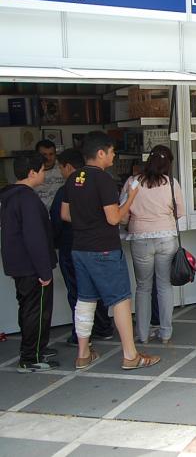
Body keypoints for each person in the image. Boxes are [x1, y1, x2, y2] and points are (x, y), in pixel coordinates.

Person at [61, 131, 159, 370]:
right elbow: (114, 218)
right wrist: (131, 197)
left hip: (80, 248)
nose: (114, 155)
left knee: (85, 299)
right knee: (120, 299)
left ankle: (83, 354)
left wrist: (87, 220)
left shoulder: (73, 178)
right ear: (101, 152)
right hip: (103, 248)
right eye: (112, 151)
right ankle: (130, 355)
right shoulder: (102, 179)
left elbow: (65, 215)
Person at [50, 148, 115, 347]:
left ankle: (81, 337)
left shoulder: (68, 188)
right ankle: (103, 328)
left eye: (60, 168)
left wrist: (53, 242)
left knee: (78, 293)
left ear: (68, 166)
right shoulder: (100, 182)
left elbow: (59, 219)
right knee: (99, 287)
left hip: (73, 246)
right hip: (100, 245)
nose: (61, 172)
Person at [1, 153, 59, 372]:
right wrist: (44, 271)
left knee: (28, 309)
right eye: (43, 170)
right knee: (37, 311)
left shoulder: (9, 195)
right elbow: (34, 237)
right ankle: (31, 357)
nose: (44, 173)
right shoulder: (27, 199)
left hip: (18, 264)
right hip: (32, 267)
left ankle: (36, 349)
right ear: (32, 173)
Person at [122, 145, 185, 344]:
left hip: (139, 238)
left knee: (143, 287)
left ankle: (142, 334)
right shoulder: (171, 183)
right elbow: (180, 212)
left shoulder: (133, 182)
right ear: (168, 163)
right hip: (166, 237)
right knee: (165, 286)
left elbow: (122, 214)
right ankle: (165, 333)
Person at [35, 139, 65, 209]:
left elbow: (79, 182)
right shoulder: (31, 172)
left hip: (59, 214)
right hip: (39, 214)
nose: (48, 158)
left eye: (51, 154)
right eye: (44, 154)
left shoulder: (63, 168)